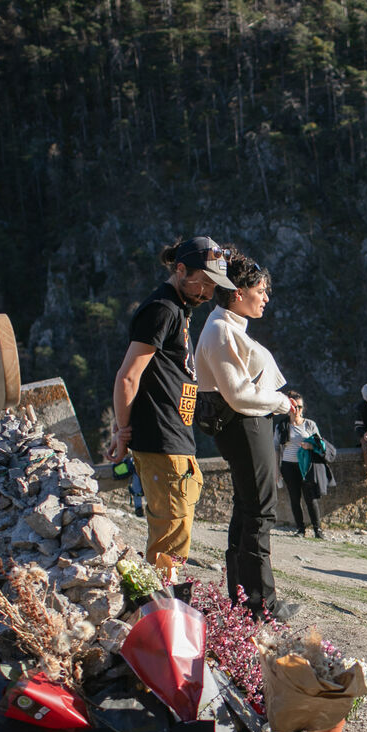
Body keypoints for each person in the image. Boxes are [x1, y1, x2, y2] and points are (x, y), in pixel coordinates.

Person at [107, 236, 234, 564]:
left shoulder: (178, 309)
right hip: (162, 441)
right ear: (180, 270)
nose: (208, 293)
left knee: (175, 537)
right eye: (203, 282)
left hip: (174, 439)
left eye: (213, 286)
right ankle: (162, 597)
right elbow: (128, 376)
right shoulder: (162, 309)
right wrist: (122, 431)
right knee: (169, 546)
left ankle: (166, 593)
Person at [194, 251, 301, 622]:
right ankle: (261, 605)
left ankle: (243, 599)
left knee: (247, 509)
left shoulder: (226, 326)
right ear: (238, 293)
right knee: (259, 512)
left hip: (247, 426)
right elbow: (238, 393)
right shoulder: (220, 330)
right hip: (244, 425)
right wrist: (282, 402)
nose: (266, 297)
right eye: (260, 290)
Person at [275, 390, 331, 539]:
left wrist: (309, 446)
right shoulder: (281, 426)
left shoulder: (310, 424)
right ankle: (300, 529)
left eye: (300, 407)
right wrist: (276, 470)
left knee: (311, 499)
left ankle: (318, 530)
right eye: (295, 407)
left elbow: (320, 445)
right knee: (295, 498)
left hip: (306, 466)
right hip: (288, 466)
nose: (297, 410)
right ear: (289, 408)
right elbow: (276, 449)